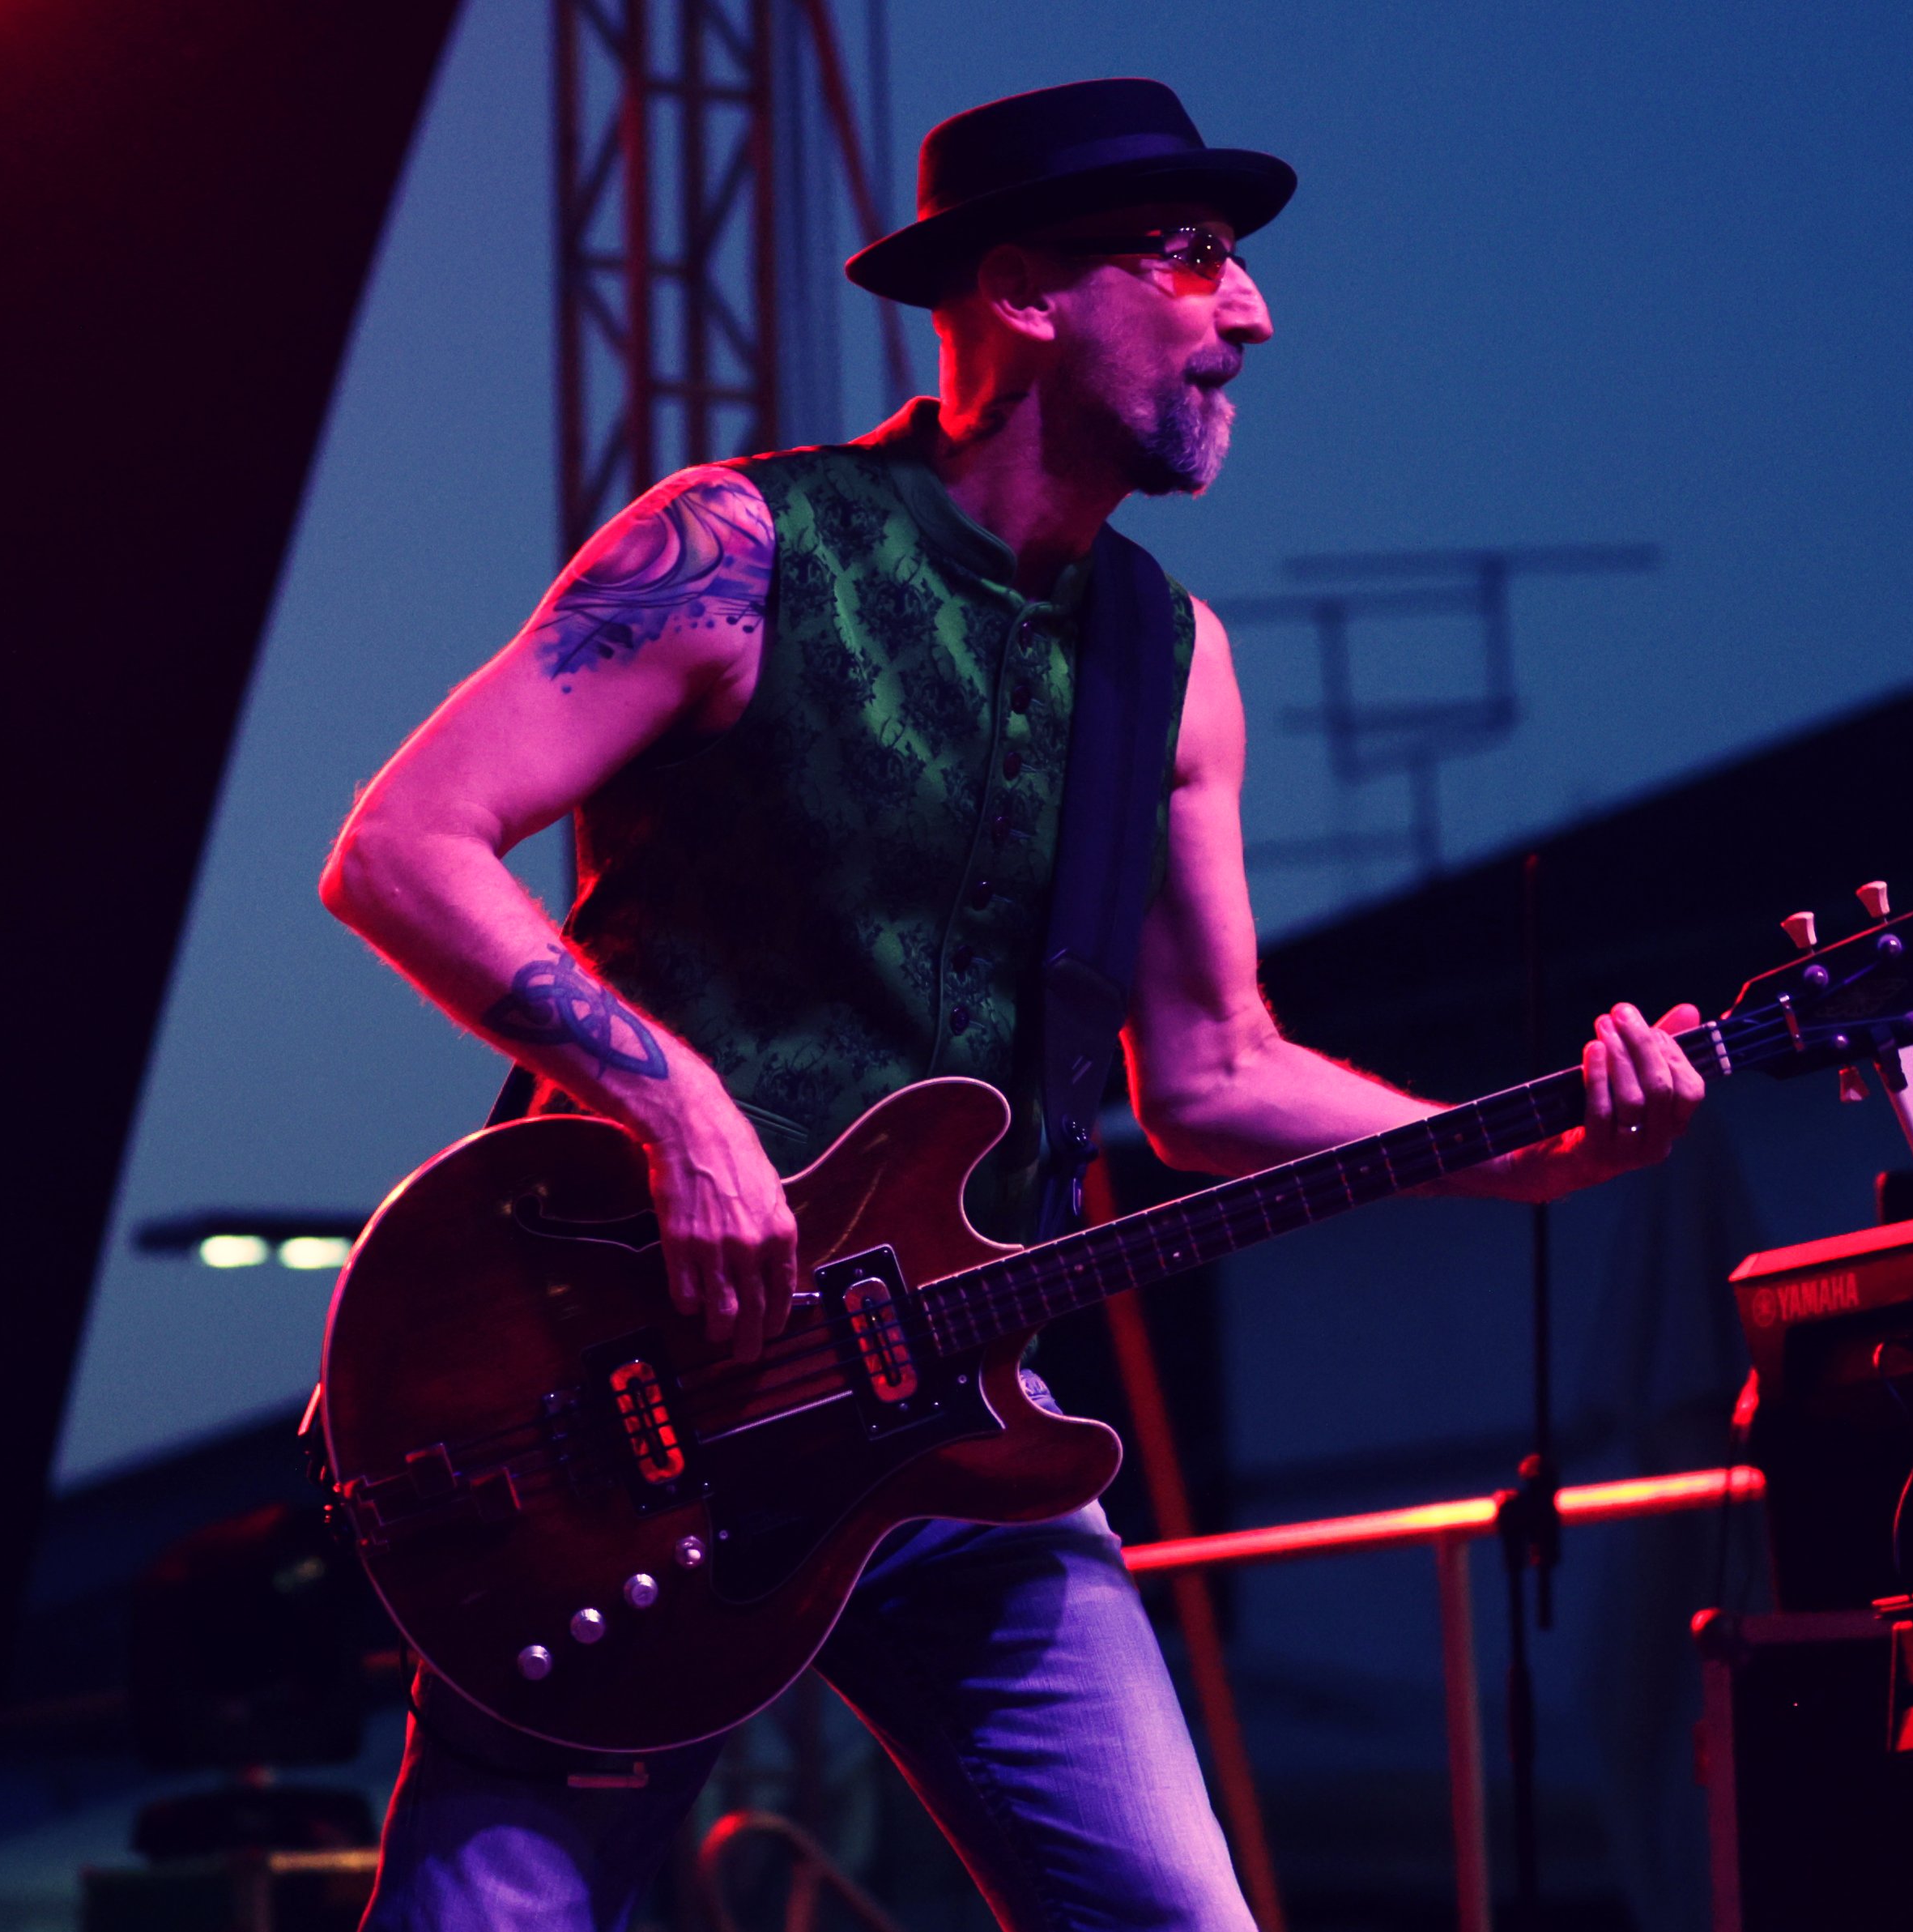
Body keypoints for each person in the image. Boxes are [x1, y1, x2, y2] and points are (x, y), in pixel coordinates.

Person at [318, 78, 1706, 1930]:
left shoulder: (1172, 662)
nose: (1251, 312)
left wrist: (1525, 1154)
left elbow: (1213, 1069)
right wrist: (681, 1110)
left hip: (955, 1422)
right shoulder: (737, 550)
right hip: (629, 1415)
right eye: (1190, 256)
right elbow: (403, 845)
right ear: (1026, 290)